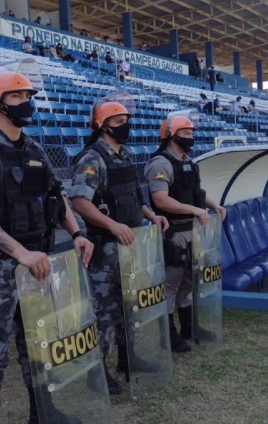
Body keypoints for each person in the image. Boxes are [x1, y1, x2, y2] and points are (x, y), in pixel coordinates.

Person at [0, 70, 94, 424]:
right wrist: (19, 253)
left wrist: (77, 234)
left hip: (36, 266)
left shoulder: (34, 149)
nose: (26, 103)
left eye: (28, 96)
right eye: (16, 97)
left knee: (39, 345)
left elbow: (57, 199)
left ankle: (42, 413)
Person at [69, 101, 168, 395]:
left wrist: (152, 215)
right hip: (105, 249)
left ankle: (128, 361)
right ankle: (96, 373)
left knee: (129, 308)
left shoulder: (124, 156)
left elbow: (134, 196)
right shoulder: (92, 158)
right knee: (105, 314)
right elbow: (79, 201)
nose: (125, 124)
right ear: (101, 125)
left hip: (130, 246)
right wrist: (111, 225)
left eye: (126, 119)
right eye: (117, 120)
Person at [144, 113, 226, 353]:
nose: (190, 137)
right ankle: (167, 336)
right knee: (171, 283)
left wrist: (214, 206)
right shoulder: (160, 163)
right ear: (171, 135)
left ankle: (189, 328)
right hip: (174, 233)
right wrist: (194, 209)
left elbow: (197, 191)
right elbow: (160, 200)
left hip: (193, 231)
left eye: (191, 133)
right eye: (185, 133)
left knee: (189, 282)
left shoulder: (189, 162)